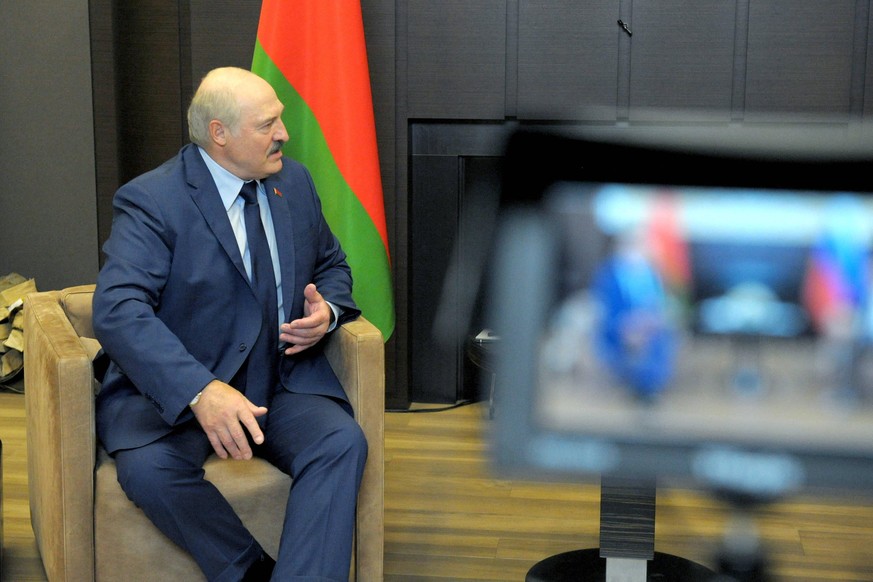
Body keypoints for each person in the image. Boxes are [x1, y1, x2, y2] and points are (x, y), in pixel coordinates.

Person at [92, 66, 367, 582]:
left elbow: (332, 263)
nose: (283, 134)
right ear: (220, 133)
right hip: (189, 388)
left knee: (341, 442)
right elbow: (118, 309)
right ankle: (248, 570)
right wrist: (200, 391)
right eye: (268, 124)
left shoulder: (296, 182)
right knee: (149, 471)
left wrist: (325, 312)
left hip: (280, 381)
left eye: (280, 120)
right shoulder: (153, 200)